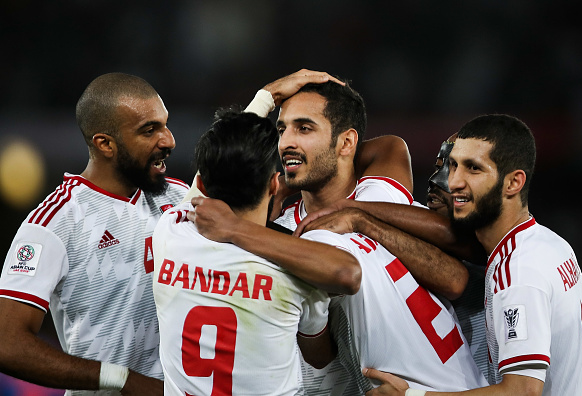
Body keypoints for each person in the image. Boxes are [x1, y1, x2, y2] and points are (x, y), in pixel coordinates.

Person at [190, 79, 487, 394]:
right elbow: (318, 354)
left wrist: (348, 210)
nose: (286, 142)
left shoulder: (379, 197)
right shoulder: (277, 237)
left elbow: (390, 145)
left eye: (304, 129)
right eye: (282, 130)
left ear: (346, 144)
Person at [362, 114, 582, 396]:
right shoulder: (548, 243)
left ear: (513, 183)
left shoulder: (519, 272)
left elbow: (522, 391)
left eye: (473, 169)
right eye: (454, 166)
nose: (455, 182)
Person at [0, 72, 190, 395]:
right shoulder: (54, 223)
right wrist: (123, 380)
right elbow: (7, 343)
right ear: (105, 144)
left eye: (165, 124)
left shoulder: (179, 198)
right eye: (149, 130)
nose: (169, 140)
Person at [152, 108, 362, 395]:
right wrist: (235, 229)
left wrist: (264, 98)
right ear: (275, 184)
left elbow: (215, 166)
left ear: (200, 185)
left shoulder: (169, 230)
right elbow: (319, 356)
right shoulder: (300, 274)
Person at [297, 134, 489, 378]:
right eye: (442, 168)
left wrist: (355, 211)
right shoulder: (402, 221)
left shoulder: (514, 258)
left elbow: (462, 254)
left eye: (459, 168)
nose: (434, 181)